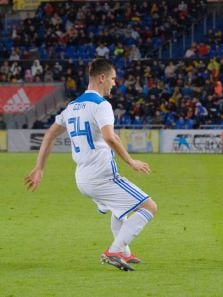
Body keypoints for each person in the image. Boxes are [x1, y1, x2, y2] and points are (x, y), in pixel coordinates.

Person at [24, 59, 158, 271]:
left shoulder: (72, 106)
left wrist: (39, 167)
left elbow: (50, 134)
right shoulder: (101, 105)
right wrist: (131, 161)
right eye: (113, 78)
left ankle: (125, 253)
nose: (115, 83)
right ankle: (114, 251)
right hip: (102, 176)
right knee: (149, 207)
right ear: (102, 78)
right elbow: (109, 137)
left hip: (82, 178)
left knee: (118, 210)